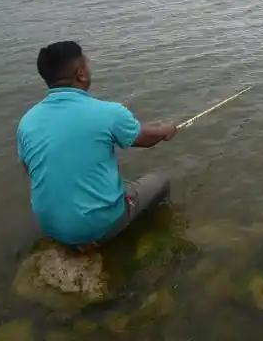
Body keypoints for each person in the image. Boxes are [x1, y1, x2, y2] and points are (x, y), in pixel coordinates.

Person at [16, 41, 177, 250]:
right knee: (160, 181)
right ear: (81, 74)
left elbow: (30, 170)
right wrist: (166, 130)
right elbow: (145, 138)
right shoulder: (107, 112)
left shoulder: (27, 122)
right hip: (97, 227)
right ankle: (144, 235)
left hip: (51, 227)